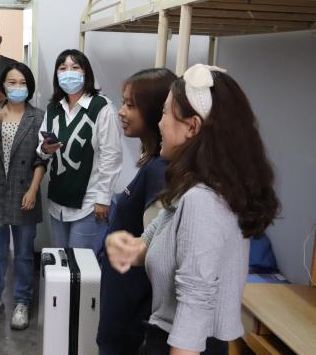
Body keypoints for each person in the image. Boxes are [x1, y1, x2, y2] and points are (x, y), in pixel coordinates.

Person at [106, 64, 279, 354]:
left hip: (184, 345)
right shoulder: (191, 188)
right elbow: (150, 243)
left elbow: (195, 305)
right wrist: (126, 248)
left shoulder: (203, 201)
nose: (159, 123)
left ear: (192, 127)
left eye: (164, 113)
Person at [97, 68, 176, 355]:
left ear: (155, 111)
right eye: (123, 102)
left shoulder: (159, 171)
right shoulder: (150, 161)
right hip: (122, 301)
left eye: (131, 105)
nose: (121, 112)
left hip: (133, 311)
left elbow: (158, 254)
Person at [0, 63, 47, 330]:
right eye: (12, 82)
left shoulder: (39, 117)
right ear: (3, 85)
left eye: (22, 83)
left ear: (29, 87)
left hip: (24, 193)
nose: (17, 87)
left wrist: (33, 189)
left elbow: (42, 158)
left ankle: (22, 301)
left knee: (23, 254)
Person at [38, 49, 122, 253]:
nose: (69, 72)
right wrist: (45, 149)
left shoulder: (101, 107)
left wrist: (103, 199)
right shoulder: (53, 108)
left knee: (82, 264)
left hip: (89, 203)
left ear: (86, 73)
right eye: (62, 68)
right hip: (58, 201)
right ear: (57, 75)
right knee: (62, 262)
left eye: (75, 67)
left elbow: (111, 156)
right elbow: (41, 147)